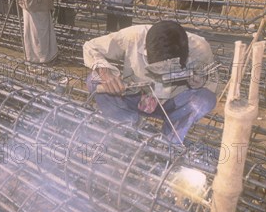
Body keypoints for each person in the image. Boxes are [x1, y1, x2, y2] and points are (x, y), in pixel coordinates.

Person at [83, 20, 217, 144]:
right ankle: (126, 129)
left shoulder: (199, 48)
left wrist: (199, 82)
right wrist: (105, 72)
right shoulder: (133, 37)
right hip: (134, 96)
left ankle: (169, 141)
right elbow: (90, 46)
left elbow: (209, 85)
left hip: (172, 104)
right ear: (146, 50)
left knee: (204, 100)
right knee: (94, 80)